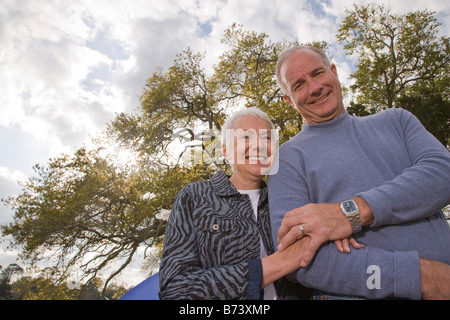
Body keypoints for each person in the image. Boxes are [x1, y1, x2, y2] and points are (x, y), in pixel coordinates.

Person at [268, 46, 450, 300]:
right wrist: (417, 276)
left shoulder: (397, 121)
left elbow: (442, 172)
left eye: (318, 73)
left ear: (333, 71)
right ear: (289, 100)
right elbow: (297, 255)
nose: (314, 88)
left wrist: (351, 212)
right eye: (298, 85)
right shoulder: (287, 158)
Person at [159, 107, 314, 300]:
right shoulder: (194, 197)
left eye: (267, 138)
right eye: (246, 137)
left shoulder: (287, 197)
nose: (259, 146)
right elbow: (175, 289)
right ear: (225, 150)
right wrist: (281, 262)